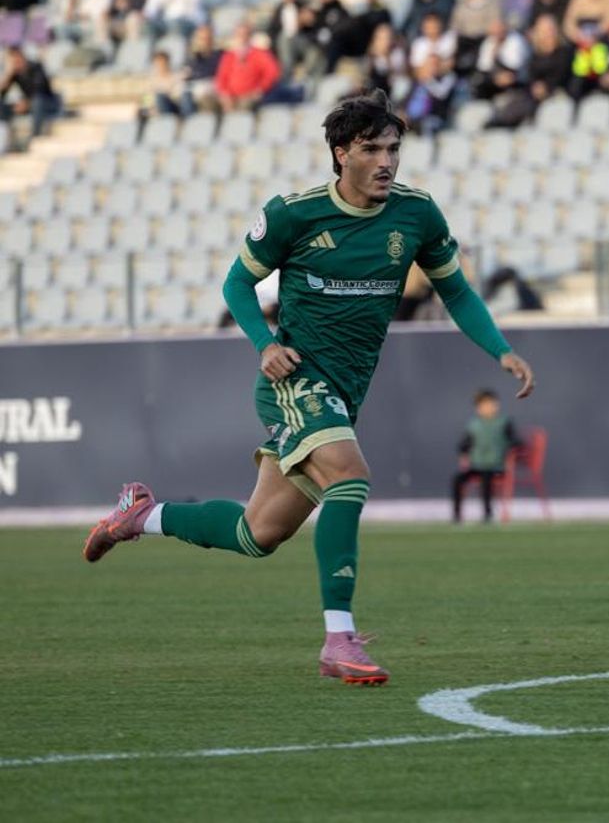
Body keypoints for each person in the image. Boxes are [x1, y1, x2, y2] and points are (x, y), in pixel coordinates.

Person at [83, 91, 537, 687]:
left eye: (394, 149)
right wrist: (265, 345)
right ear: (341, 152)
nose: (386, 162)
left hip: (344, 393)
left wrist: (500, 349)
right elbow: (236, 285)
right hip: (295, 379)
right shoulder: (294, 215)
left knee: (259, 533)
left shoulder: (417, 215)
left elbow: (454, 291)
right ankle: (339, 637)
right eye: (372, 149)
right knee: (350, 476)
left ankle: (140, 515)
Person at [452, 389, 524, 523]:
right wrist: (463, 451)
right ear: (478, 408)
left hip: (497, 466)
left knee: (486, 479)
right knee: (457, 479)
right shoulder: (474, 425)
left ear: (496, 405)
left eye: (490, 404)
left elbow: (516, 441)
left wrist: (511, 448)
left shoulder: (504, 423)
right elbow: (465, 443)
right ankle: (457, 515)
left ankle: (487, 513)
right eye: (483, 405)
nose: (488, 408)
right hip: (477, 466)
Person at [0, 45, 60, 136]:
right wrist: (9, 74)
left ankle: (36, 136)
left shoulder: (36, 67)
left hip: (48, 102)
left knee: (37, 101)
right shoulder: (15, 73)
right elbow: (2, 93)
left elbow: (41, 89)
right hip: (30, 103)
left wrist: (27, 103)